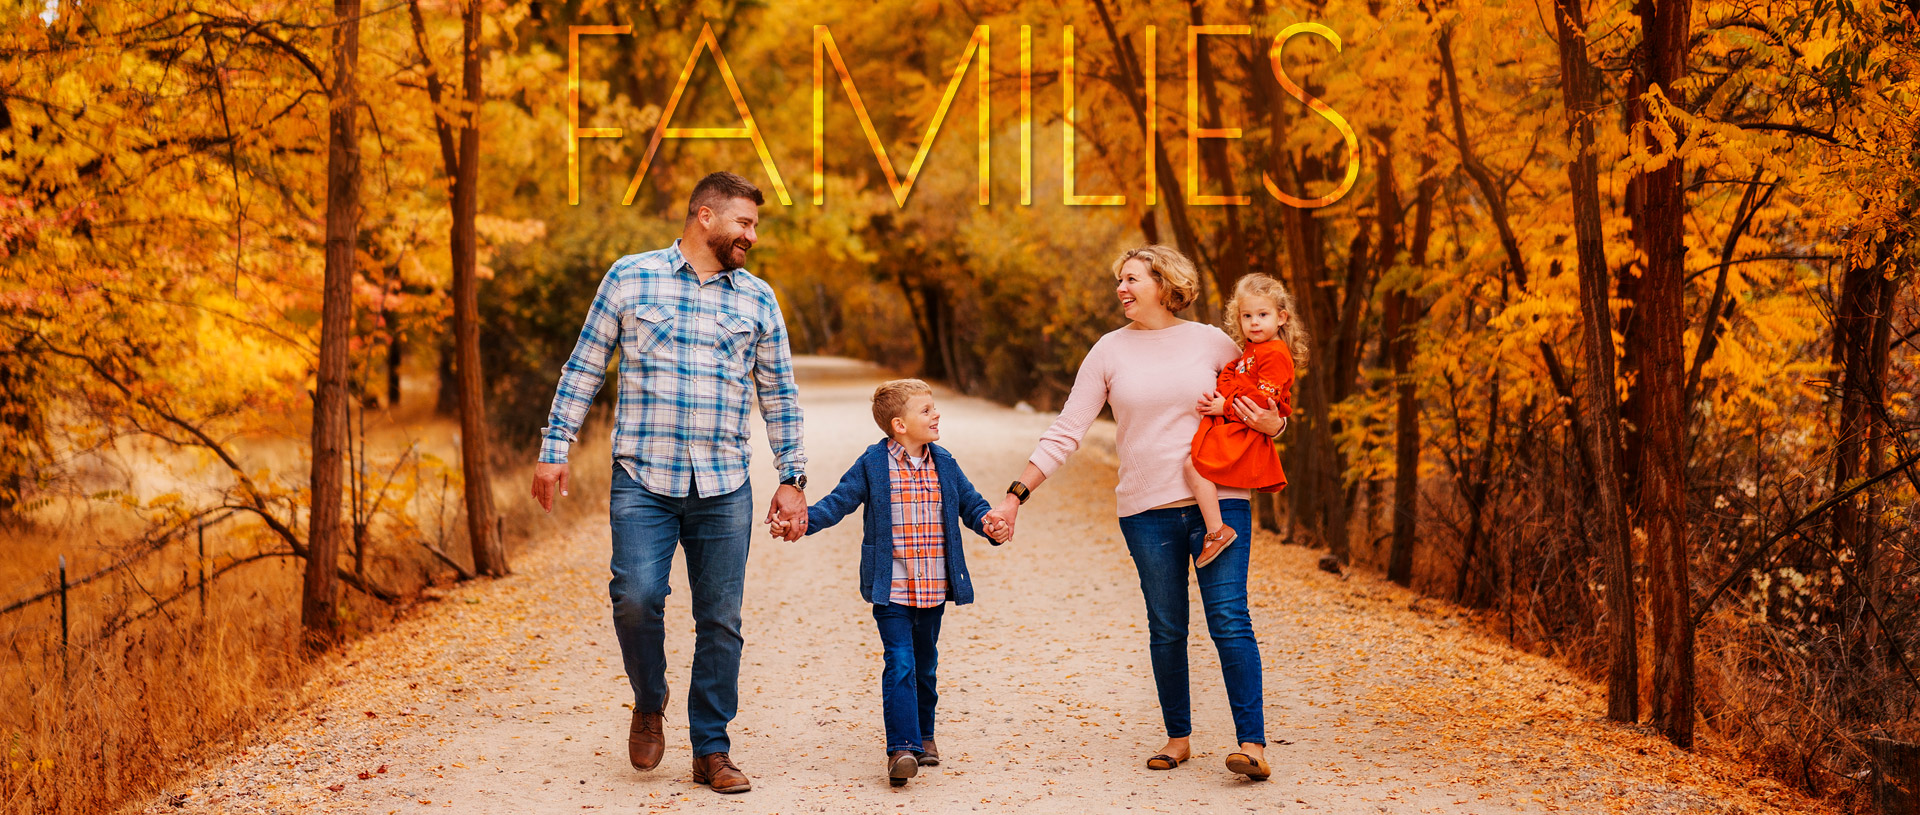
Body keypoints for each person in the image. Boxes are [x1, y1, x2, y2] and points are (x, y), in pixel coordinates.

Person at [529, 171, 809, 795]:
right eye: (744, 223)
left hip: (723, 484)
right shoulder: (630, 276)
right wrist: (555, 447)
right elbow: (584, 365)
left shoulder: (758, 299)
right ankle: (649, 700)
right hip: (643, 478)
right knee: (635, 597)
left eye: (755, 226)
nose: (752, 236)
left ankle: (711, 748)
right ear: (704, 217)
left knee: (721, 620)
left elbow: (780, 396)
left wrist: (792, 476)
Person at [991, 246, 1288, 780]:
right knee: (1168, 625)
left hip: (1219, 503)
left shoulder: (1213, 342)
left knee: (1229, 619)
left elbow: (1265, 408)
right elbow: (1068, 429)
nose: (1121, 289)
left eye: (1131, 279)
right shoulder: (1109, 351)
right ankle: (1179, 737)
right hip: (1146, 513)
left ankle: (1253, 745)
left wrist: (1275, 426)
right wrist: (1016, 495)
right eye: (1118, 281)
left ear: (1164, 283)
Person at [776, 379, 1010, 786]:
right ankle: (901, 749)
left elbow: (971, 505)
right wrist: (803, 521)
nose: (936, 415)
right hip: (893, 589)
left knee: (926, 665)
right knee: (899, 662)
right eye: (926, 410)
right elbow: (838, 502)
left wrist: (990, 523)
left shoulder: (945, 463)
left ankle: (925, 735)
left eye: (934, 408)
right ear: (899, 425)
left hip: (934, 586)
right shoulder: (873, 463)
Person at [1186, 273, 1305, 568]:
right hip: (1238, 422)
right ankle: (1216, 529)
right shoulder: (1254, 348)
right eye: (1247, 315)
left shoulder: (1276, 354)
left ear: (1281, 317)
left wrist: (1225, 405)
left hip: (1245, 428)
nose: (1254, 322)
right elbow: (1242, 377)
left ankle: (1217, 531)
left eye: (1262, 315)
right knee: (1194, 464)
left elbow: (1263, 403)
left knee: (1194, 466)